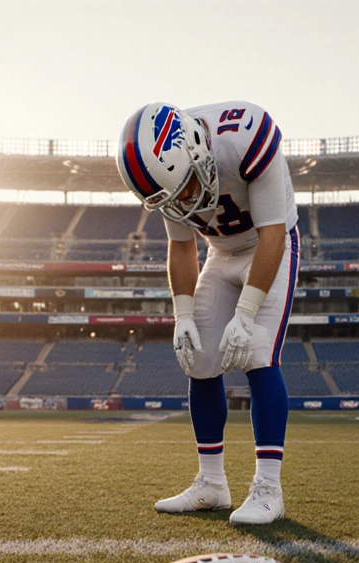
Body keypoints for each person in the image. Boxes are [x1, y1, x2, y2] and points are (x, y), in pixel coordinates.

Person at [116, 102, 299, 525]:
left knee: (256, 352)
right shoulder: (165, 171)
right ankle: (212, 483)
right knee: (198, 360)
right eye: (172, 195)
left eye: (185, 187)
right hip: (220, 253)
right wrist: (181, 315)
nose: (183, 201)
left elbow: (272, 233)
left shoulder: (246, 138)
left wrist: (247, 311)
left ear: (198, 148)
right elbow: (182, 246)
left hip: (271, 245)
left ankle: (269, 488)